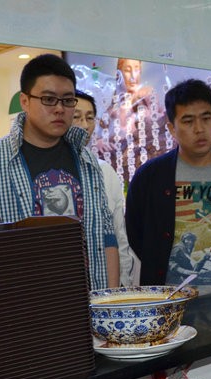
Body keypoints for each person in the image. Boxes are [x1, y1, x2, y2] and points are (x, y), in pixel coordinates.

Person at [0, 53, 119, 288]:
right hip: (28, 298)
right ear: (24, 101)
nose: (59, 109)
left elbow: (106, 235)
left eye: (68, 100)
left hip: (90, 296)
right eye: (49, 99)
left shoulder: (87, 159)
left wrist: (109, 298)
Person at [125, 78, 211, 293]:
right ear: (171, 128)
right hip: (169, 299)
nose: (199, 129)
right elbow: (136, 234)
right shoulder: (149, 176)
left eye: (206, 118)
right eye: (188, 121)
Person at [73, 90, 135, 285]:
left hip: (105, 284)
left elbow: (118, 233)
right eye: (76, 117)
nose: (85, 125)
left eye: (90, 118)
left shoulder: (104, 170)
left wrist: (124, 284)